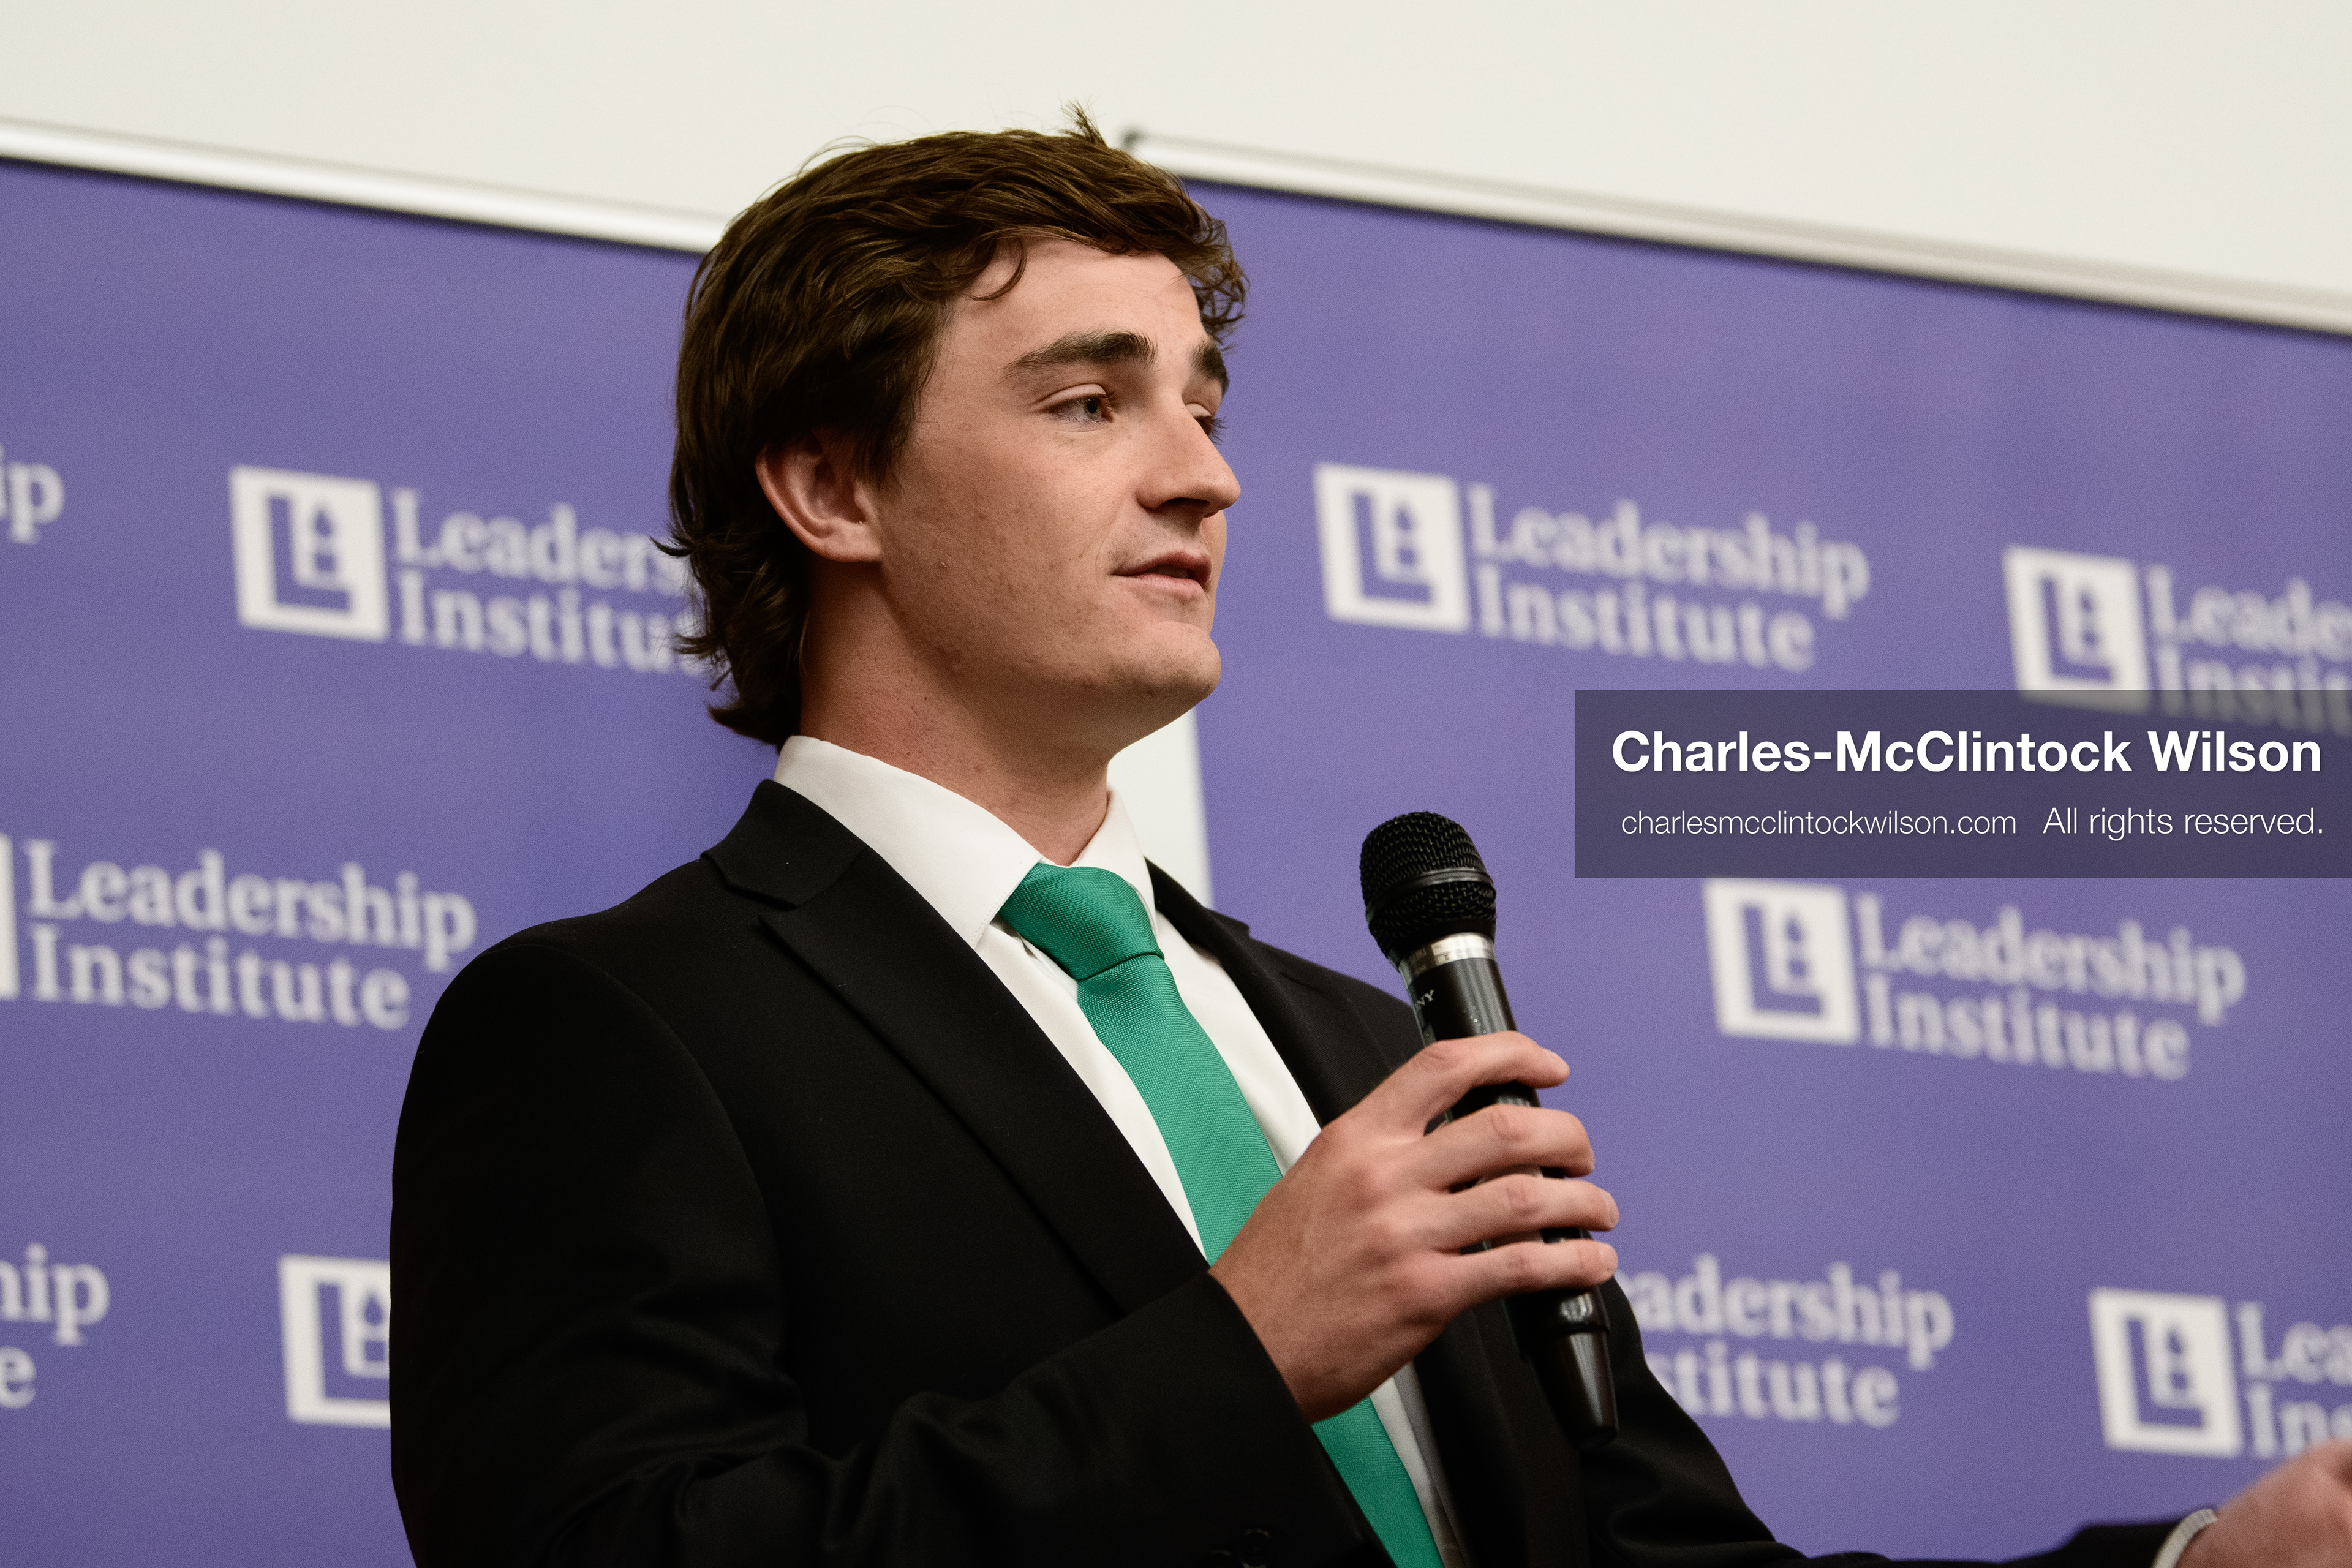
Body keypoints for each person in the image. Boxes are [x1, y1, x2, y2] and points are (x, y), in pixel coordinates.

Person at [388, 114, 2352, 1568]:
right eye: (1089, 401)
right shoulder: (624, 1027)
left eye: (1205, 400)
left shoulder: (1367, 1060)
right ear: (831, 487)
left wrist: (2201, 1567)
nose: (1205, 471)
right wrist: (1246, 1350)